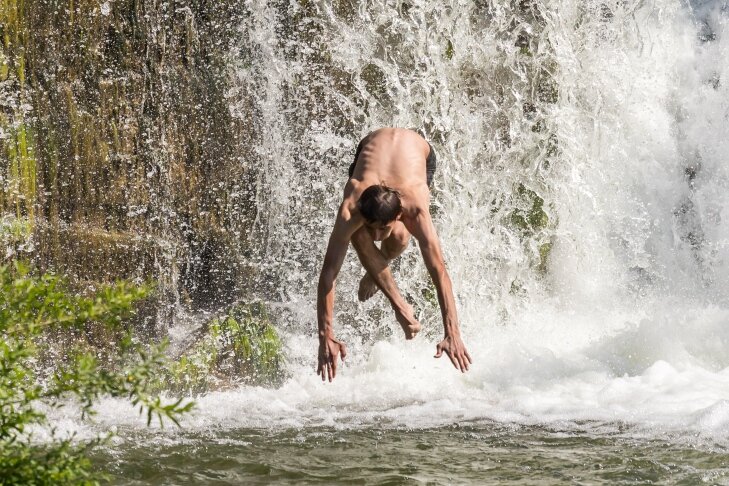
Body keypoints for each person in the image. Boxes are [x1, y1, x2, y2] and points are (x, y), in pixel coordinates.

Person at [316, 128, 472, 382]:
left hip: (418, 154)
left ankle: (378, 269)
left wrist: (452, 332)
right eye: (372, 228)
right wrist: (326, 336)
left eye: (382, 229)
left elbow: (439, 272)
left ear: (400, 216)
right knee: (357, 233)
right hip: (372, 144)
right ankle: (400, 303)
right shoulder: (352, 203)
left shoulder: (416, 209)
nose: (377, 237)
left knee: (399, 238)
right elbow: (329, 272)